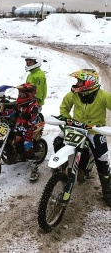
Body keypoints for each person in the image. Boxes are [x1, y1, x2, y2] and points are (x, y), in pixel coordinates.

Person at [54, 69, 111, 207]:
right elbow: (64, 107)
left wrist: (100, 128)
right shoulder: (74, 94)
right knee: (58, 141)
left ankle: (108, 192)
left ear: (89, 82)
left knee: (102, 159)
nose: (77, 83)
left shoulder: (103, 96)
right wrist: (66, 118)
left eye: (80, 81)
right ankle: (60, 169)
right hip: (76, 127)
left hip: (95, 131)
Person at [13, 83, 40, 181]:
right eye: (20, 94)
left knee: (27, 146)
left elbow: (34, 120)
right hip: (18, 126)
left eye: (23, 95)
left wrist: (27, 124)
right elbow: (13, 112)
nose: (20, 96)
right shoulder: (19, 104)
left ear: (30, 94)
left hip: (28, 129)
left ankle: (35, 169)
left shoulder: (33, 106)